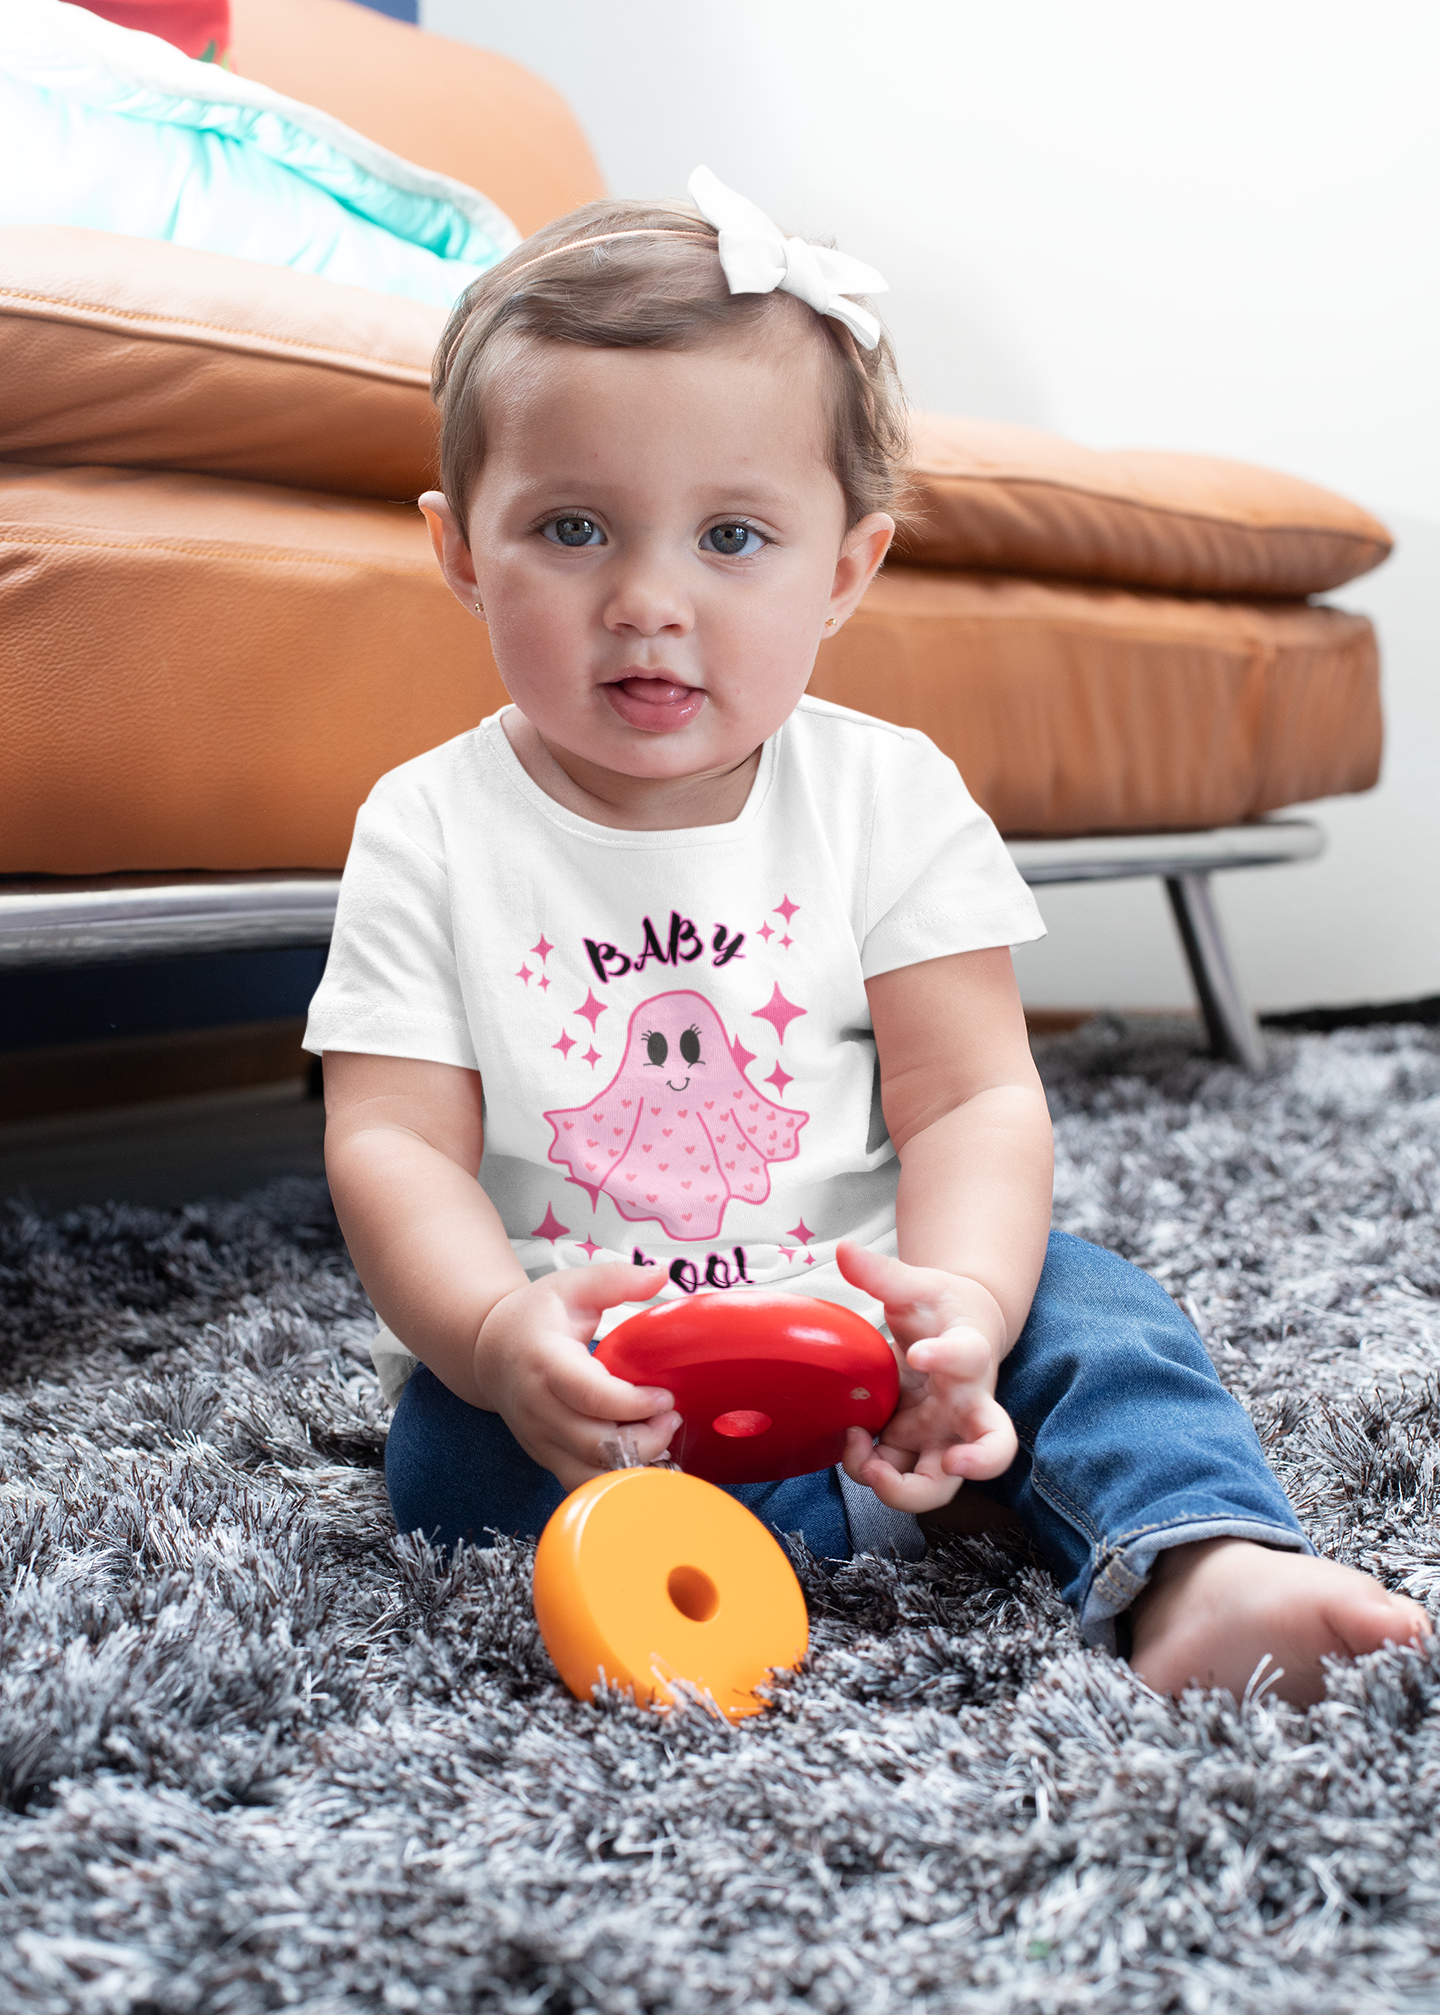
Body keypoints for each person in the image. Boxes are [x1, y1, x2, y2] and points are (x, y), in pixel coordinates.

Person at [305, 169, 1428, 1708]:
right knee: (444, 1448)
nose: (647, 599)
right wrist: (501, 1336)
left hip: (870, 1313)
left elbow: (969, 1097)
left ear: (846, 570)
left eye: (733, 537)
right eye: (572, 528)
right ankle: (801, 1536)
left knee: (1095, 1308)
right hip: (596, 1359)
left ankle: (1195, 1560)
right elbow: (391, 1146)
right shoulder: (427, 825)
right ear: (459, 552)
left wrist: (960, 1306)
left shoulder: (886, 795)